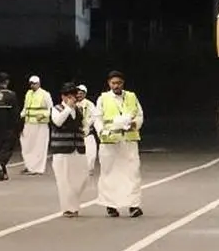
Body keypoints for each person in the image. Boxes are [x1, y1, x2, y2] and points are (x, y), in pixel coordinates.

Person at [96, 70, 144, 217]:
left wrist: (135, 124)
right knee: (110, 174)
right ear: (109, 84)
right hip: (110, 142)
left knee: (132, 173)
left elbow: (140, 115)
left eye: (119, 83)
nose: (116, 86)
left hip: (129, 141)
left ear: (123, 83)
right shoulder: (103, 98)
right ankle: (111, 205)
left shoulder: (131, 96)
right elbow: (97, 118)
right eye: (113, 83)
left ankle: (133, 205)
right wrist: (101, 131)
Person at [49, 82, 92, 216]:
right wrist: (67, 107)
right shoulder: (57, 109)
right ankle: (68, 208)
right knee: (64, 181)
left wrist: (85, 130)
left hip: (78, 149)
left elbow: (84, 125)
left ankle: (73, 204)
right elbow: (58, 122)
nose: (73, 98)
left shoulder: (78, 110)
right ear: (63, 96)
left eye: (74, 95)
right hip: (62, 149)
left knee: (83, 178)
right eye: (70, 95)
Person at [19, 75, 51, 175]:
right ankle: (29, 166)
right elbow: (25, 108)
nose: (32, 85)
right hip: (28, 123)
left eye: (34, 83)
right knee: (27, 145)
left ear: (39, 83)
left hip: (40, 125)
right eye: (31, 83)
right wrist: (19, 116)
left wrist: (44, 115)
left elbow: (50, 109)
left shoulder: (45, 94)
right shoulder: (28, 94)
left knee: (39, 146)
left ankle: (37, 168)